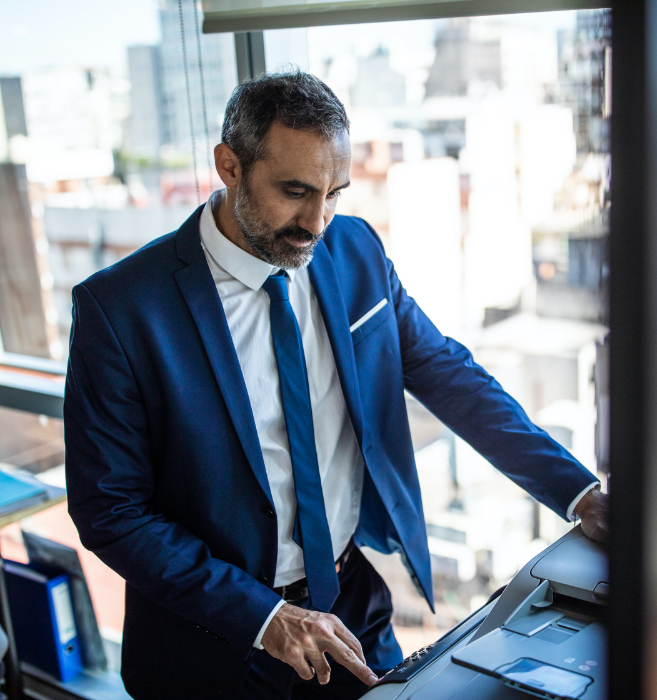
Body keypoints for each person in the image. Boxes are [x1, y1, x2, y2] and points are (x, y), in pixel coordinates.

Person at [64, 71, 608, 700]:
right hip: (211, 641)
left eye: (334, 193)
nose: (316, 221)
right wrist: (263, 618)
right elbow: (111, 511)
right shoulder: (122, 307)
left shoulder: (353, 250)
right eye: (295, 191)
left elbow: (448, 374)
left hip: (349, 605)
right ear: (229, 166)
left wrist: (578, 491)